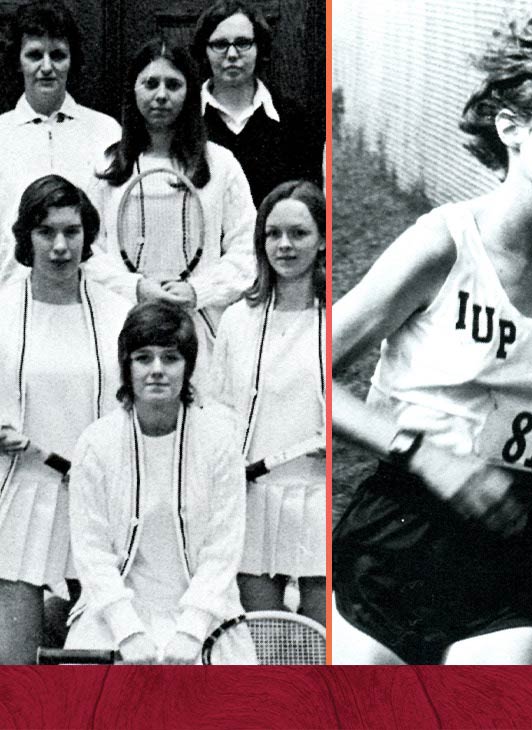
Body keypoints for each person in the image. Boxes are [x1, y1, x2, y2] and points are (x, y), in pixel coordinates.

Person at [331, 16, 532, 665]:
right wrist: (427, 455)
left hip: (513, 539)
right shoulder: (443, 245)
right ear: (512, 129)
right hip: (398, 533)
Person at [65, 301, 250, 665]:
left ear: (189, 367)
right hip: (112, 620)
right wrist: (130, 633)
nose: (157, 371)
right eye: (143, 358)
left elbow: (223, 549)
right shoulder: (95, 443)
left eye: (170, 358)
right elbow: (91, 551)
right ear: (126, 367)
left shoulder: (219, 441)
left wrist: (191, 631)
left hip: (208, 618)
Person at [0, 176, 131, 664]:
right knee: (14, 671)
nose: (60, 246)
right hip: (17, 500)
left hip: (99, 500)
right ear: (25, 237)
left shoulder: (119, 314)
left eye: (72, 231)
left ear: (87, 235)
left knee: (96, 668)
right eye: (46, 232)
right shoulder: (3, 310)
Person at [83, 39, 256, 392]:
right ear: (133, 90)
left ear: (190, 93)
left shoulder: (220, 164)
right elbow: (87, 252)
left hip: (201, 335)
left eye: (173, 85)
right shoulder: (107, 166)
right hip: (123, 327)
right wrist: (137, 288)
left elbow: (248, 250)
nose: (161, 95)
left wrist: (197, 291)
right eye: (150, 84)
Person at [213, 181, 325, 625]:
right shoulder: (238, 320)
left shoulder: (337, 316)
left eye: (299, 233)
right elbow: (218, 410)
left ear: (321, 241)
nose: (284, 245)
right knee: (265, 646)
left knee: (321, 649)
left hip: (319, 500)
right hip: (252, 503)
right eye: (273, 233)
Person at [0, 0, 120, 285]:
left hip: (94, 295)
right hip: (11, 300)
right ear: (18, 61)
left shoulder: (106, 132)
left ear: (71, 60)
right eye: (34, 55)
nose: (46, 67)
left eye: (57, 55)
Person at [191, 0, 322, 206]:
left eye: (243, 43)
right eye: (220, 44)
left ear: (259, 48)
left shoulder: (295, 121)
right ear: (204, 51)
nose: (232, 54)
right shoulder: (184, 118)